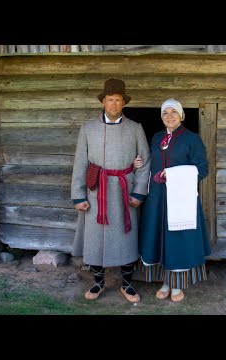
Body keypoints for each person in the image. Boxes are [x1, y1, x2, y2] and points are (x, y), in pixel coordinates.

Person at [71, 78, 151, 303]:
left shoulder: (135, 128)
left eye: (117, 100)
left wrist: (138, 192)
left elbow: (144, 161)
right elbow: (80, 164)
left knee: (126, 237)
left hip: (124, 192)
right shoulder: (88, 129)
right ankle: (97, 283)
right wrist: (78, 195)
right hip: (96, 191)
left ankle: (127, 284)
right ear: (103, 102)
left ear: (123, 103)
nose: (113, 104)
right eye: (109, 100)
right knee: (96, 239)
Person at [134, 98, 211, 302]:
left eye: (173, 112)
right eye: (165, 113)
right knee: (159, 237)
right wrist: (139, 163)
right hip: (158, 198)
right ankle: (164, 282)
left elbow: (203, 169)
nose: (169, 116)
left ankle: (176, 285)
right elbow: (151, 163)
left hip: (181, 199)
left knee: (177, 240)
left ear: (181, 115)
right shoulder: (157, 137)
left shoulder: (192, 139)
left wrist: (174, 174)